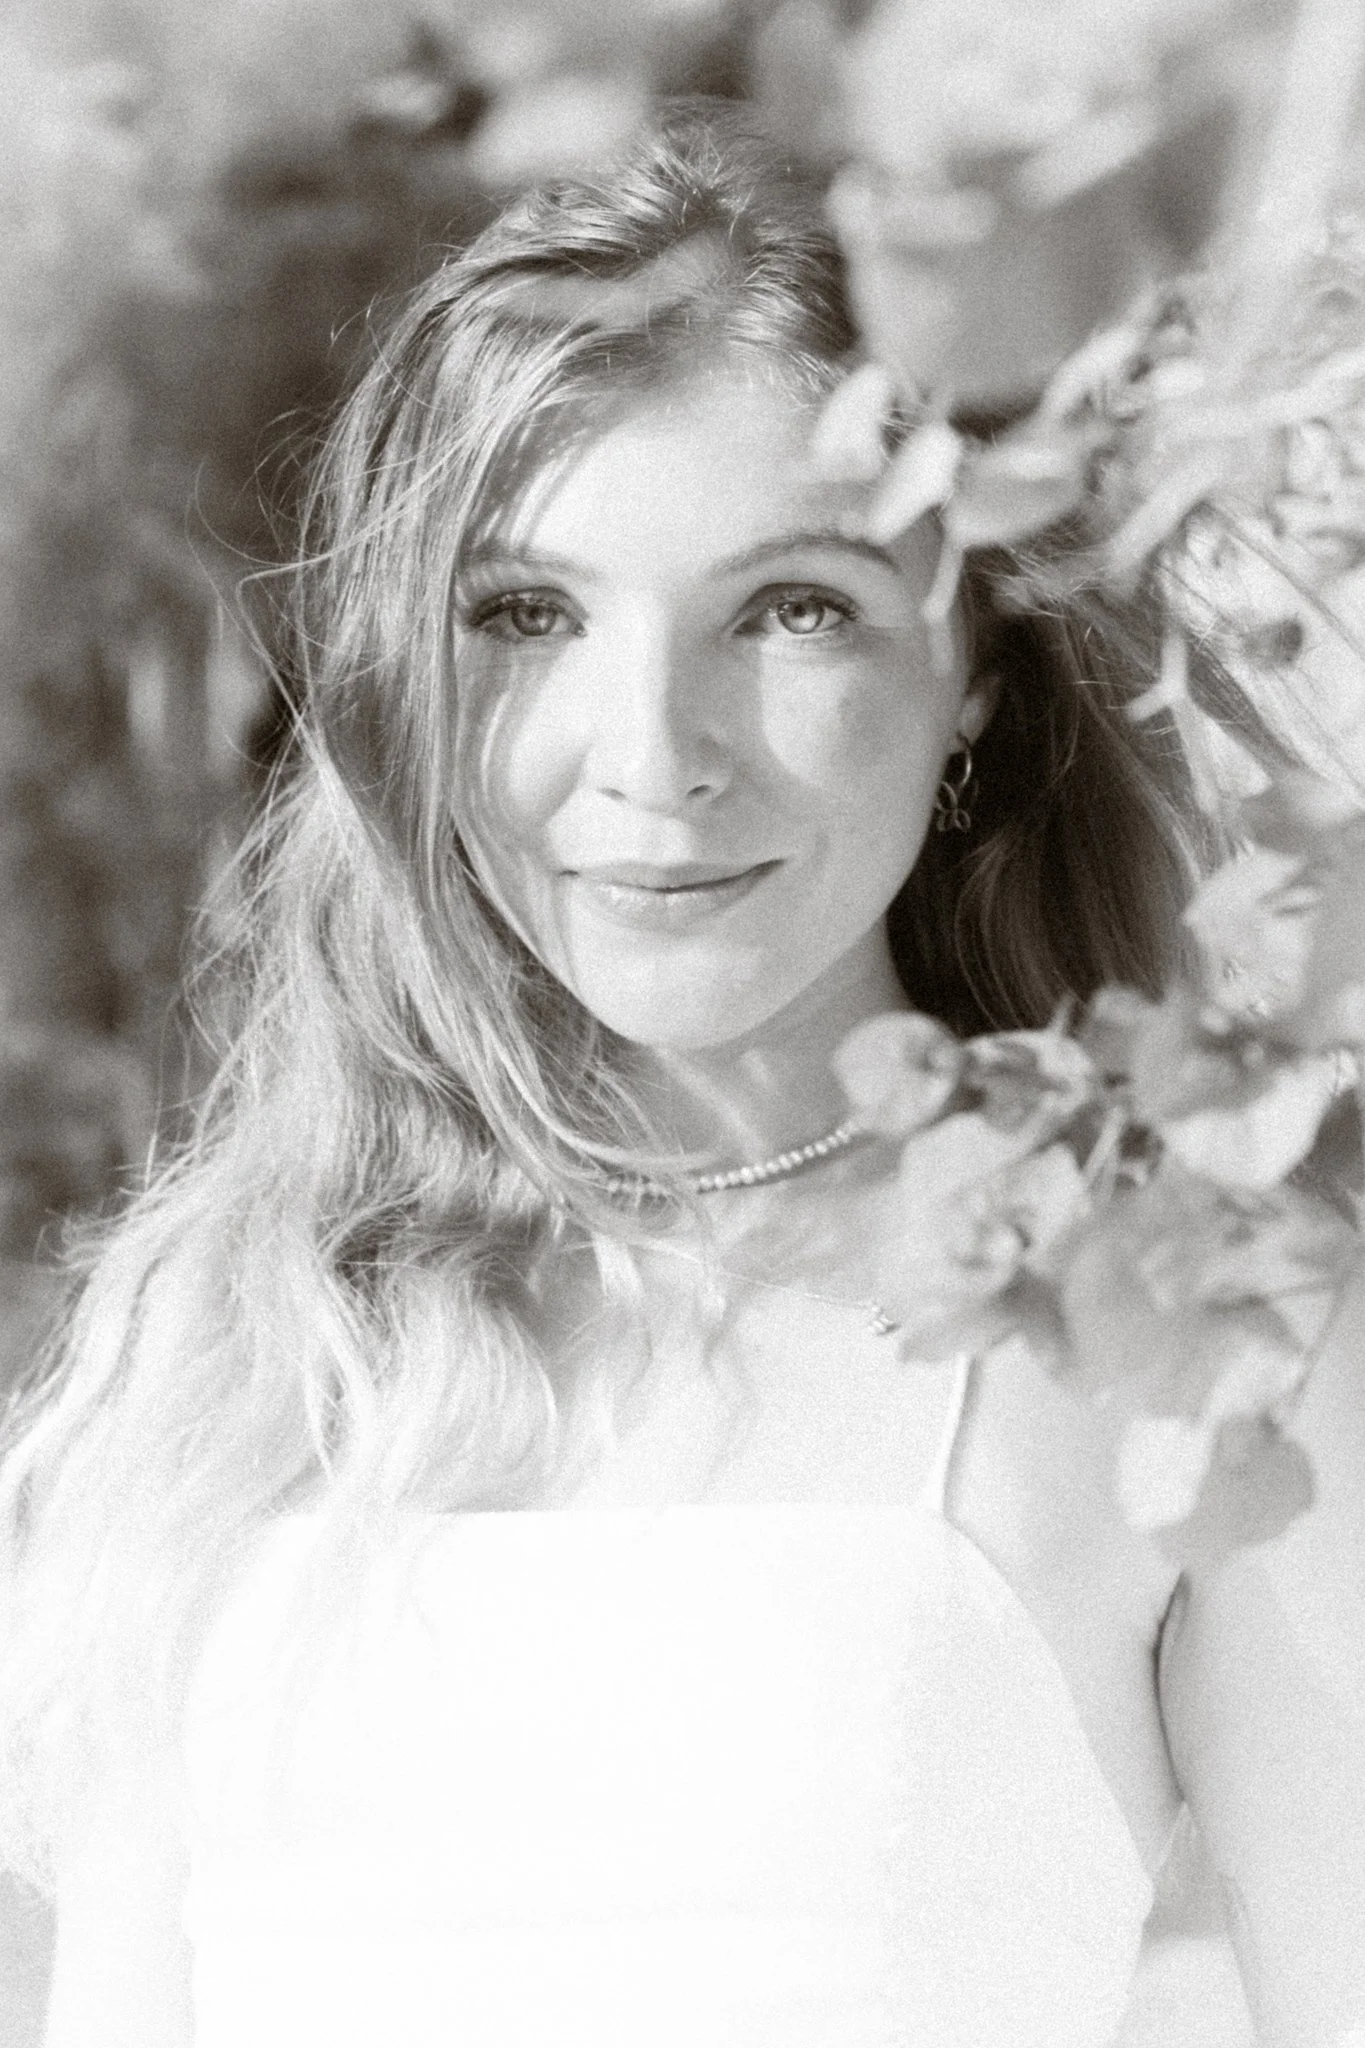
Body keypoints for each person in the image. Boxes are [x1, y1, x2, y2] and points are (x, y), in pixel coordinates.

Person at [2, 99, 1363, 2048]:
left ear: (973, 656)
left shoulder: (1184, 1318)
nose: (653, 752)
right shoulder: (229, 1337)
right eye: (529, 616)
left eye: (789, 606)